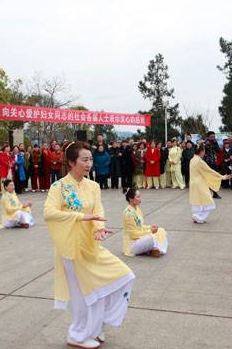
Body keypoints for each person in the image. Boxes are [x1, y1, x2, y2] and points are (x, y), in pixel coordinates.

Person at [44, 141, 134, 348]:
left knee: (123, 276)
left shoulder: (93, 186)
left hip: (91, 245)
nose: (89, 164)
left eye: (90, 159)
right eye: (84, 160)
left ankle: (96, 325)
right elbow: (48, 213)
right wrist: (79, 216)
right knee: (81, 295)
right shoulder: (59, 187)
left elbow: (98, 211)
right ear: (71, 162)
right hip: (71, 248)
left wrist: (98, 228)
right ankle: (77, 335)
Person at [189, 143, 231, 224]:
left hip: (193, 183)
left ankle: (197, 215)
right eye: (204, 151)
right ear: (201, 151)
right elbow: (210, 171)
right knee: (208, 201)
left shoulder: (192, 159)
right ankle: (199, 217)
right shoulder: (199, 161)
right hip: (200, 183)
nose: (204, 153)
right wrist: (222, 177)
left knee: (199, 200)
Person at [122, 188, 168, 257]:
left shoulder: (137, 209)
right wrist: (150, 231)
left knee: (160, 230)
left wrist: (150, 227)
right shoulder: (128, 214)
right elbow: (133, 234)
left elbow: (141, 226)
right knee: (151, 238)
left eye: (140, 196)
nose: (140, 199)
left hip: (140, 238)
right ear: (131, 199)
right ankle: (152, 249)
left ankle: (151, 250)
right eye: (138, 197)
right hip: (133, 243)